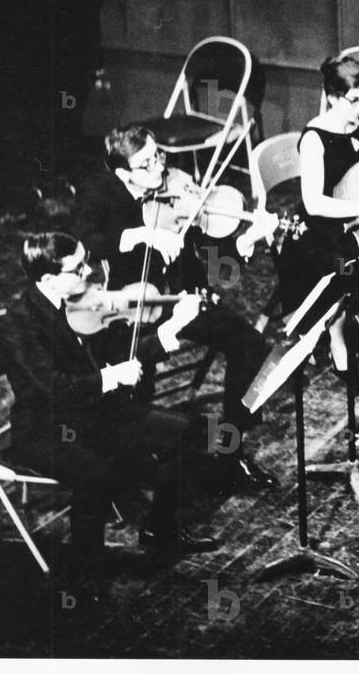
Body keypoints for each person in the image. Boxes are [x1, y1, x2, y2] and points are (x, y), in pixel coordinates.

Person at [0, 233, 222, 600]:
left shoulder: (83, 305)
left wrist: (170, 328)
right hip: (46, 428)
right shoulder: (19, 324)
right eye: (79, 268)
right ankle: (85, 574)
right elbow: (53, 389)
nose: (90, 272)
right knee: (99, 472)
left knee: (189, 431)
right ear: (50, 280)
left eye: (86, 260)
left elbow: (120, 348)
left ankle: (160, 530)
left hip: (94, 413)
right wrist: (110, 377)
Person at [74, 124, 279, 486]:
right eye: (147, 164)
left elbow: (215, 259)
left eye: (159, 156)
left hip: (184, 295)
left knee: (250, 345)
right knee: (132, 380)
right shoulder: (99, 191)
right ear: (124, 172)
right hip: (133, 302)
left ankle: (231, 451)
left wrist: (247, 239)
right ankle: (134, 463)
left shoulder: (178, 183)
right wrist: (142, 234)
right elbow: (89, 242)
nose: (159, 169)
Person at [275, 54, 359, 373]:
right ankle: (337, 335)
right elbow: (314, 202)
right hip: (316, 232)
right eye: (354, 101)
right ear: (332, 97)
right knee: (347, 265)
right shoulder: (315, 138)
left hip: (352, 221)